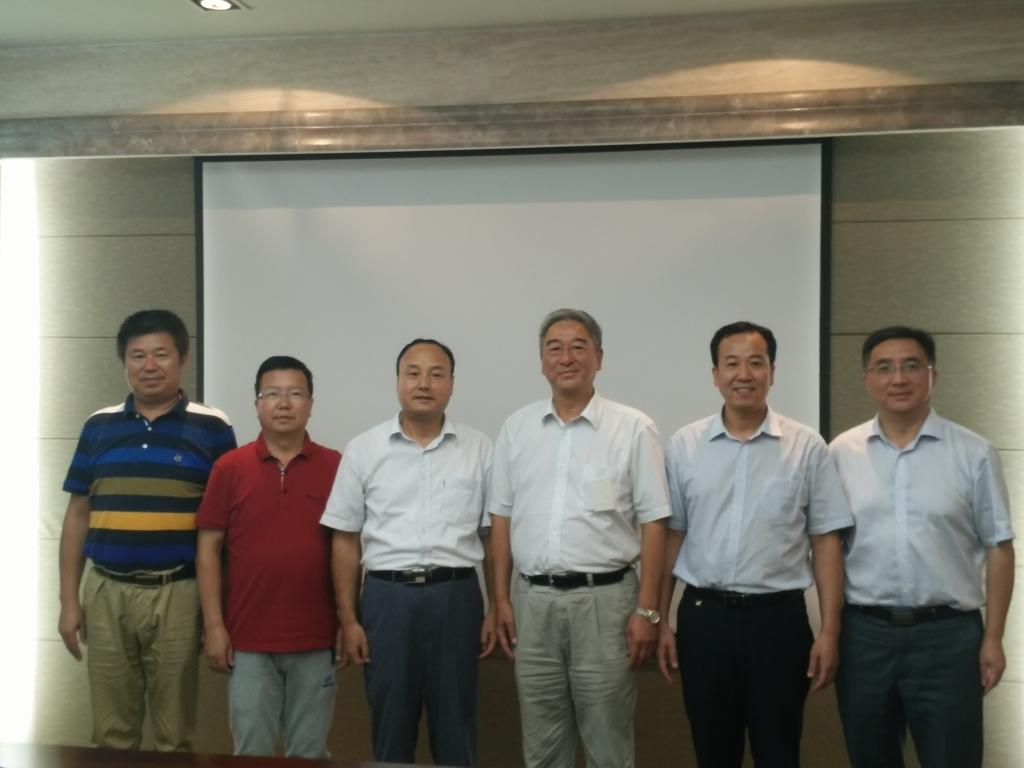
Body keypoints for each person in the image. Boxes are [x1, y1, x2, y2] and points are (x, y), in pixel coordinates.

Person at [656, 320, 852, 768]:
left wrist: (830, 631)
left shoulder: (807, 447)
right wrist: (661, 619)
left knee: (779, 750)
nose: (743, 374)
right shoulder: (685, 445)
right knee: (713, 751)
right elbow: (673, 534)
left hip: (778, 622)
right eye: (731, 364)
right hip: (704, 619)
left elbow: (826, 540)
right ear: (715, 374)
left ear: (772, 372)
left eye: (756, 363)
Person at [490, 308, 670, 768]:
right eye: (555, 348)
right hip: (532, 602)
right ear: (542, 362)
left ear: (599, 358)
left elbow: (655, 523)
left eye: (578, 347)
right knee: (542, 744)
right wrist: (501, 600)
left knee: (607, 742)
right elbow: (501, 519)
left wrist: (648, 610)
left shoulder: (633, 428)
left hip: (606, 604)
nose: (566, 357)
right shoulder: (516, 428)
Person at [829, 326, 1015, 768]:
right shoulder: (840, 453)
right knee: (870, 756)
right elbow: (828, 547)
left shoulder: (974, 453)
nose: (898, 378)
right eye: (884, 368)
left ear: (934, 375)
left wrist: (993, 637)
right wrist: (831, 632)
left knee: (954, 757)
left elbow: (999, 547)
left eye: (912, 366)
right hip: (864, 635)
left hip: (948, 636)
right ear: (867, 379)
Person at [57, 309, 237, 750]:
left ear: (183, 359)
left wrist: (217, 612)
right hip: (106, 591)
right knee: (111, 733)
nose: (149, 365)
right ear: (124, 362)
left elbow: (225, 528)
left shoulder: (213, 426)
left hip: (179, 592)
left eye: (161, 354)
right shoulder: (98, 425)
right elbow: (77, 515)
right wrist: (68, 601)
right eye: (138, 356)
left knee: (175, 735)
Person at [321, 338, 494, 766]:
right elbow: (344, 538)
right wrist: (348, 618)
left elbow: (492, 536)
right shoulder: (364, 449)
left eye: (436, 374)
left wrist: (497, 606)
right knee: (391, 730)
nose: (424, 384)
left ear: (452, 383)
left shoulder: (479, 449)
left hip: (456, 598)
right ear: (397, 381)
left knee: (456, 729)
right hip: (387, 600)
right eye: (412, 373)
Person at [195, 356, 341, 758]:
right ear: (257, 405)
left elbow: (349, 550)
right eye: (272, 394)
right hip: (248, 641)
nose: (284, 403)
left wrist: (348, 620)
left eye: (296, 394)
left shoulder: (336, 466)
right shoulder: (229, 468)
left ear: (311, 404)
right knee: (251, 752)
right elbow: (207, 551)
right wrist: (214, 626)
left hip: (316, 639)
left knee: (309, 754)